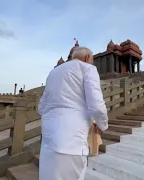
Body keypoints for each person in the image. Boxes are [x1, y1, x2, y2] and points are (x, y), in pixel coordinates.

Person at [38, 47, 109, 180]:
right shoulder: (88, 69)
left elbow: (41, 107)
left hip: (48, 139)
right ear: (87, 58)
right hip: (72, 140)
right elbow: (97, 105)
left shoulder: (53, 73)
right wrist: (102, 124)